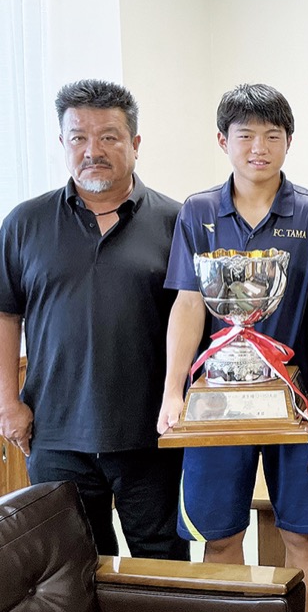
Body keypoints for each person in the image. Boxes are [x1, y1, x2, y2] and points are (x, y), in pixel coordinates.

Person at [157, 83, 308, 612]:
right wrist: (173, 390)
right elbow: (189, 304)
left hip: (293, 399)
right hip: (218, 399)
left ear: (289, 142)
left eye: (272, 135)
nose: (258, 147)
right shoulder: (197, 211)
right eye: (245, 135)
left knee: (303, 536)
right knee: (220, 535)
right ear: (223, 141)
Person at [0, 79, 188, 561]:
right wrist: (8, 404)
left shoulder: (176, 221)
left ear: (135, 144)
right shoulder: (24, 223)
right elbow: (6, 315)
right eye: (78, 137)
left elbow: (194, 322)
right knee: (72, 566)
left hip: (150, 432)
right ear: (62, 143)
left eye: (108, 136)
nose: (93, 151)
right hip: (55, 432)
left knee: (161, 562)